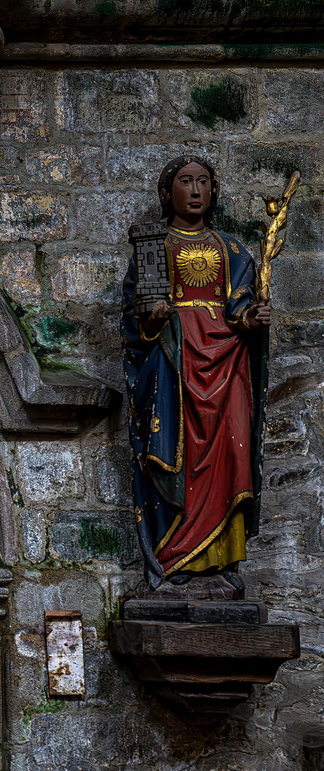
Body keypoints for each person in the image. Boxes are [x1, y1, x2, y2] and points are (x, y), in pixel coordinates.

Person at [122, 157, 269, 589]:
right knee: (175, 456)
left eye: (203, 181)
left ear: (213, 191)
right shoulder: (153, 247)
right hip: (174, 366)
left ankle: (220, 563)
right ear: (168, 193)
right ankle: (173, 560)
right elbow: (135, 324)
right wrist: (152, 319)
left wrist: (250, 319)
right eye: (185, 181)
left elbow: (241, 306)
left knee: (228, 453)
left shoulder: (234, 250)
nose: (196, 189)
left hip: (226, 369)